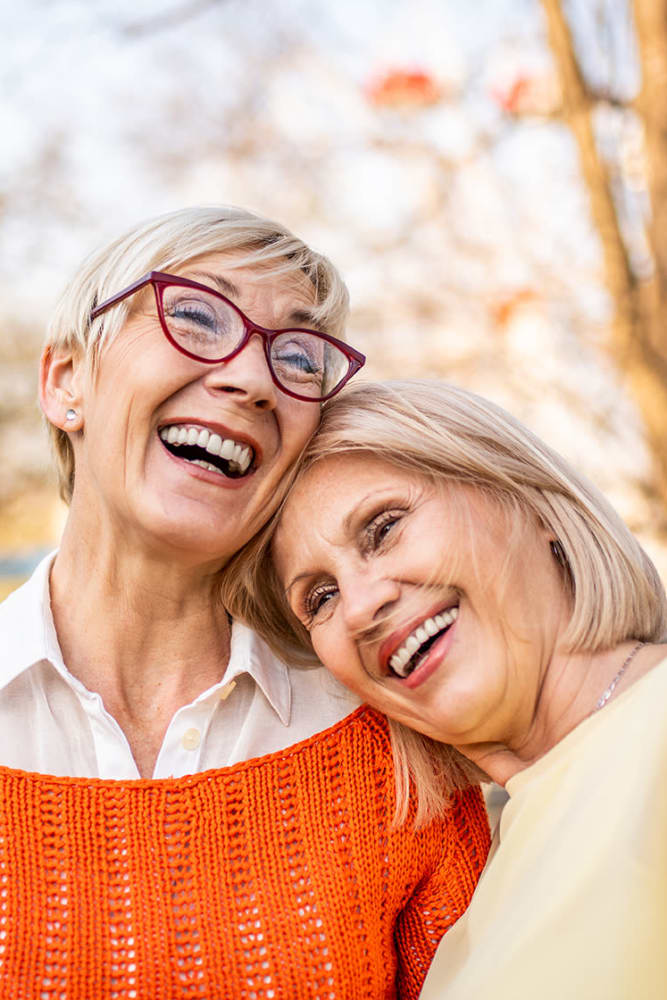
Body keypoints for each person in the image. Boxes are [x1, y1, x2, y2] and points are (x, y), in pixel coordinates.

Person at [0, 215, 489, 998]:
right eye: (195, 315)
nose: (253, 380)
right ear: (65, 382)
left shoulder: (393, 751)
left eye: (297, 358)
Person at [228, 377, 667, 1000]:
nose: (359, 607)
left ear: (529, 502)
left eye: (383, 528)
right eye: (319, 597)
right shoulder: (472, 891)